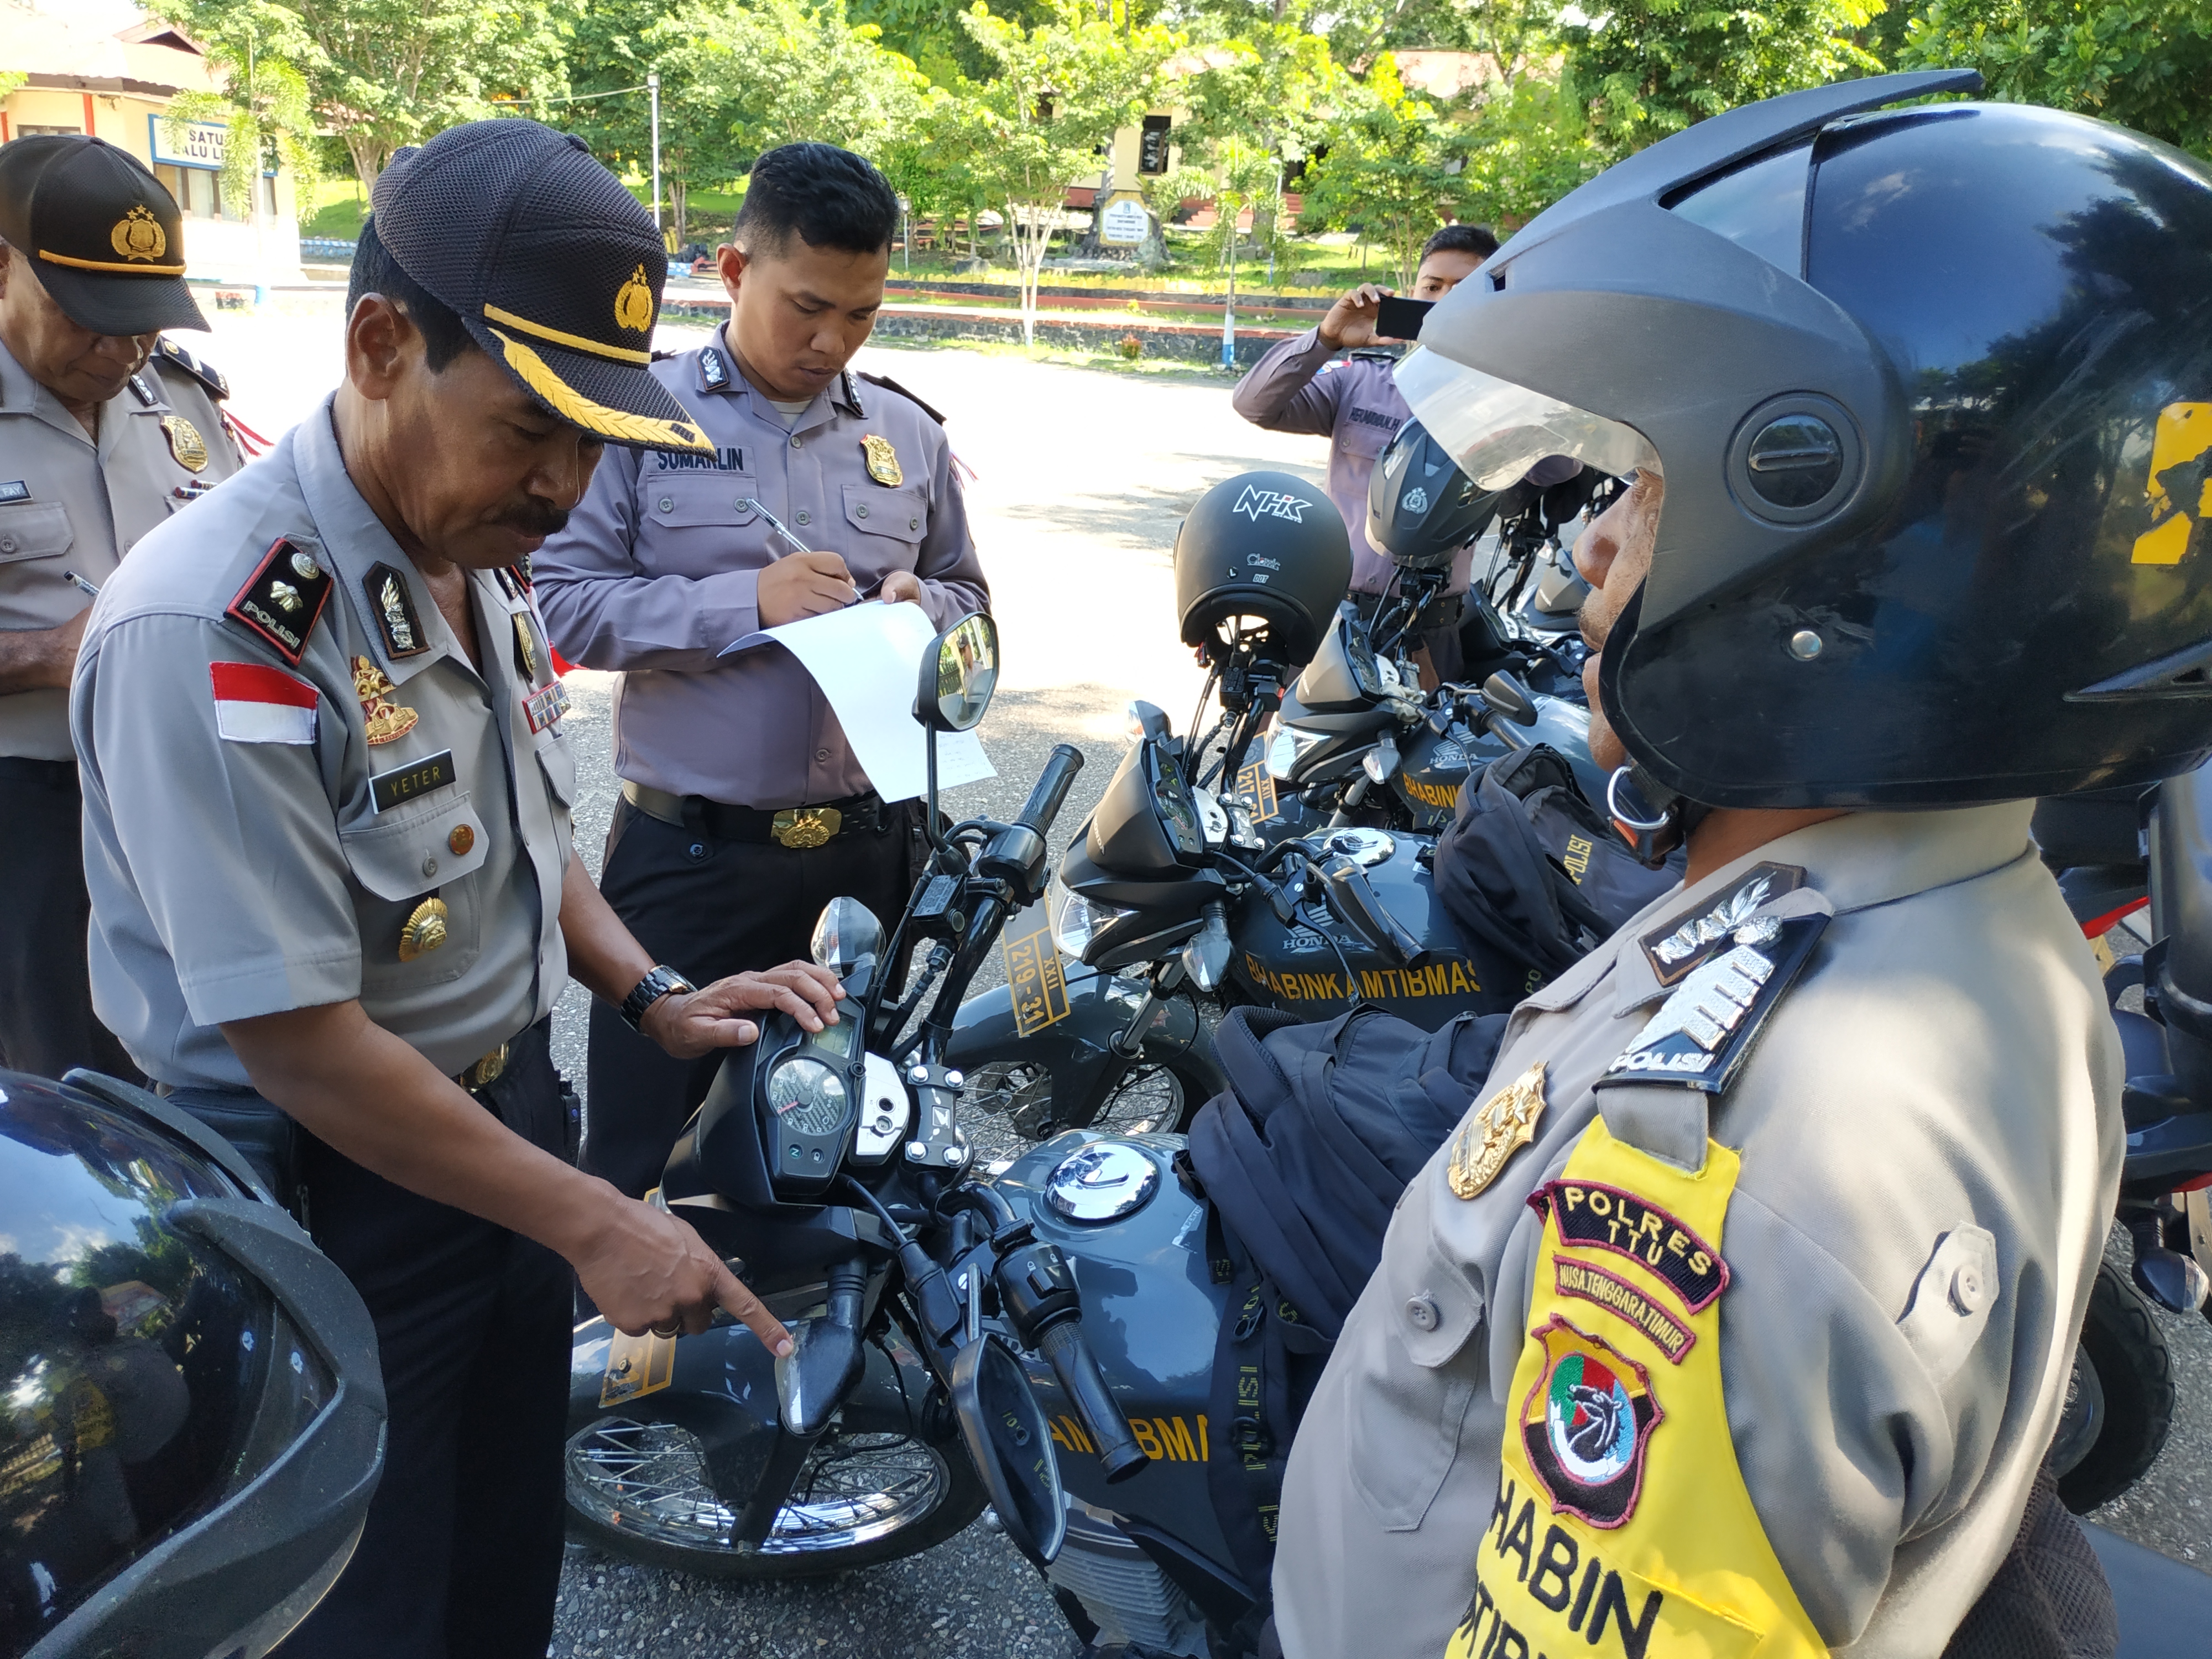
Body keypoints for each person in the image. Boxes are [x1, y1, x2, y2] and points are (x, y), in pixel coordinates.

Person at [1269, 72, 2212, 1658]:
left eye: (1642, 487)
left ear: (1818, 546)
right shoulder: (1963, 907)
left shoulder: (1764, 1165)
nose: (1590, 545)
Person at [70, 119, 842, 1659]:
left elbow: (516, 832)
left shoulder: (463, 550)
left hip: (496, 1142)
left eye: (593, 439)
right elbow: (294, 1039)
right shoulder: (218, 626)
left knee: (501, 1553)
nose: (564, 486)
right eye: (528, 430)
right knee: (362, 1597)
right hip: (325, 1200)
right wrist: (593, 1223)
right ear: (377, 344)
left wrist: (648, 992)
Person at [534, 140, 988, 1202]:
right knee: (649, 1155)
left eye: (864, 314)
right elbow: (559, 606)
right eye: (809, 307)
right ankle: (639, 1365)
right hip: (694, 861)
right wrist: (748, 602)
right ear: (736, 274)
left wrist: (932, 612)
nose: (834, 341)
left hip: (871, 861)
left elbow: (969, 600)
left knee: (848, 1153)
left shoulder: (907, 433)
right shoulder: (638, 416)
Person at [0, 135, 243, 1082]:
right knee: (53, 1090)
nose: (122, 347)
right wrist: (46, 656)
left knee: (197, 1074)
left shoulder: (178, 397)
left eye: (142, 317)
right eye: (87, 316)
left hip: (183, 795)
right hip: (29, 818)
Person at [1231, 223, 1499, 679]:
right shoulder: (1359, 382)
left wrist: (1511, 378)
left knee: (1430, 747)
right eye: (1432, 287)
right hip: (1334, 620)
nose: (1443, 301)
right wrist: (1326, 339)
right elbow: (1254, 404)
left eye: (1464, 289)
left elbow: (1554, 471)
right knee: (1294, 746)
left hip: (1430, 633)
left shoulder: (1502, 396)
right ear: (1412, 293)